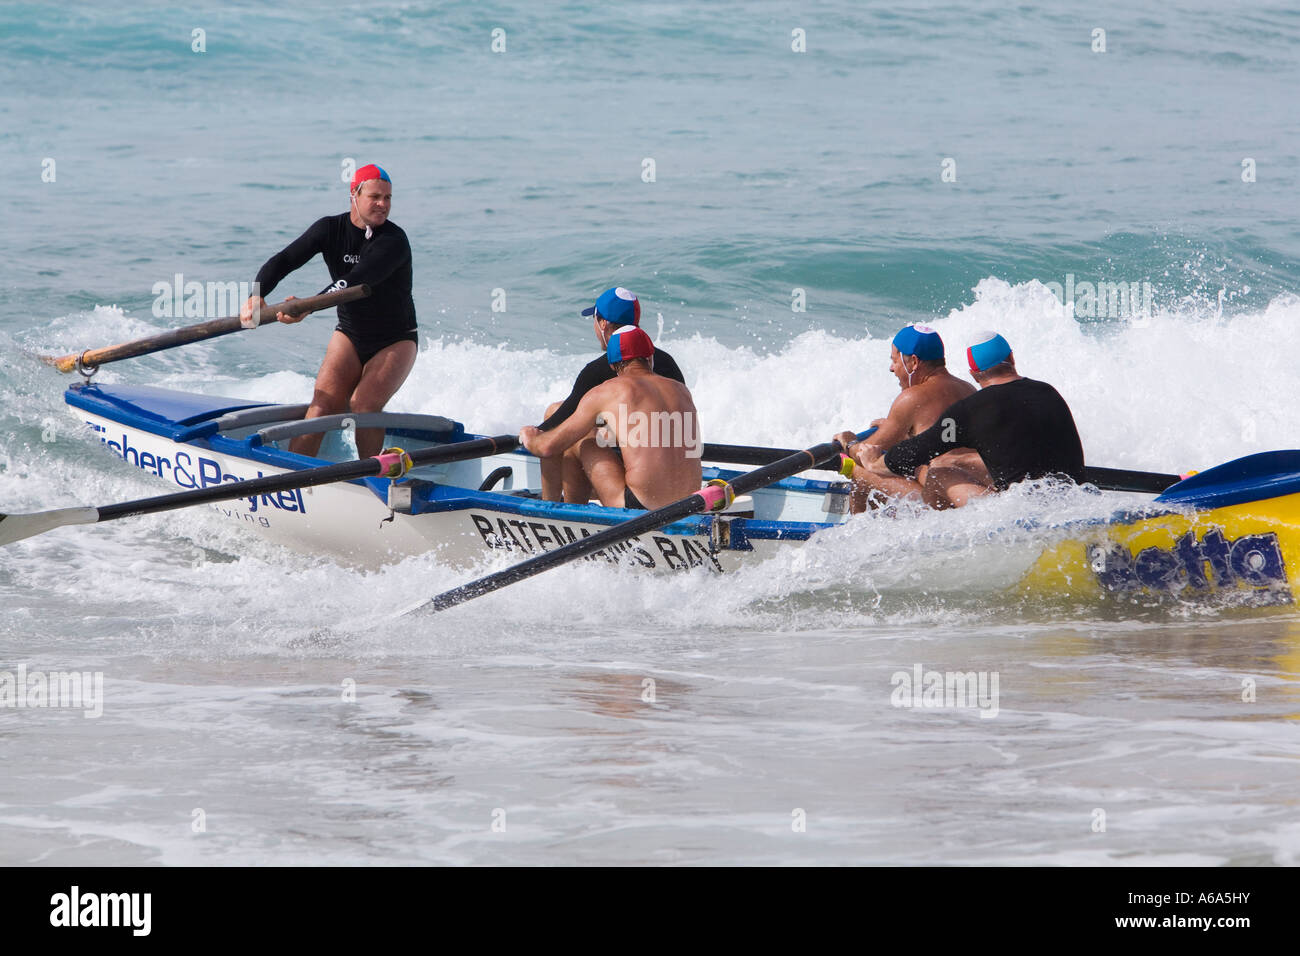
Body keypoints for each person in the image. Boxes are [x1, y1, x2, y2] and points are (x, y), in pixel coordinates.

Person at [238, 163, 417, 459]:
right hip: (350, 334)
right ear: (354, 194)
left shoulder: (394, 241)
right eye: (375, 196)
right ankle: (293, 476)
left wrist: (306, 307)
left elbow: (356, 280)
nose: (382, 204)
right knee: (321, 405)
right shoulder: (329, 229)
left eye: (388, 198)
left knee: (364, 404)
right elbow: (284, 260)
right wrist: (257, 295)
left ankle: (372, 478)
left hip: (395, 340)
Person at [859, 331, 1085, 508]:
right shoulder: (1048, 392)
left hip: (1020, 512)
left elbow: (919, 450)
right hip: (1071, 498)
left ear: (974, 374)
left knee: (938, 472)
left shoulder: (971, 410)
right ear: (1012, 358)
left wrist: (873, 462)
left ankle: (939, 539)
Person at [519, 326, 702, 510]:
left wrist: (530, 437)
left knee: (583, 440)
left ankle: (570, 513)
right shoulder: (681, 390)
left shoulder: (608, 391)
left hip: (641, 506)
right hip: (690, 504)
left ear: (613, 365)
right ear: (650, 357)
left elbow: (548, 447)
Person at [535, 286, 687, 502]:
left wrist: (530, 435)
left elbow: (552, 433)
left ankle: (554, 507)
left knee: (570, 431)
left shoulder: (598, 370)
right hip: (669, 470)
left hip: (638, 485)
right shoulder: (668, 365)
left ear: (603, 323)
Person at [832, 324, 978, 512]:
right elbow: (939, 437)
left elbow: (865, 454)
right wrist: (901, 431)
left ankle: (855, 532)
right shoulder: (968, 389)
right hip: (967, 491)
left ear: (914, 362)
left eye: (895, 361)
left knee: (859, 469)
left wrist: (849, 442)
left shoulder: (911, 398)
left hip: (938, 501)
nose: (892, 368)